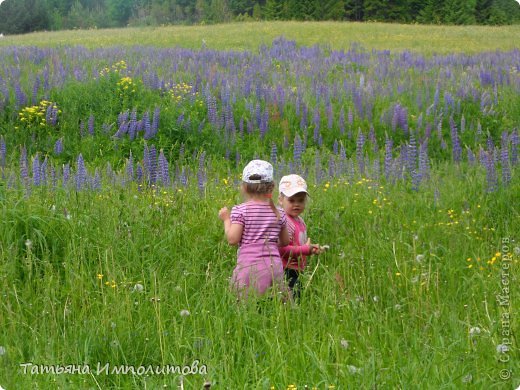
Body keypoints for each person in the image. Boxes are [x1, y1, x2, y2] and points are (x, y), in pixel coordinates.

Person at [219, 160, 290, 299]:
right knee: (276, 306)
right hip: (274, 267)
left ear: (244, 188)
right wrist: (268, 243)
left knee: (245, 306)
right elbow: (285, 241)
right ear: (272, 187)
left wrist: (226, 219)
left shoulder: (241, 210)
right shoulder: (279, 213)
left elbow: (232, 239)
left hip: (248, 268)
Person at [278, 174, 324, 300]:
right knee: (292, 301)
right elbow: (281, 249)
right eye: (291, 200)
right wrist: (304, 249)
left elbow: (299, 244)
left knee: (297, 298)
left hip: (297, 268)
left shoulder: (299, 221)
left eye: (301, 200)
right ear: (281, 200)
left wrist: (311, 248)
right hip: (285, 269)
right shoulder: (284, 222)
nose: (296, 204)